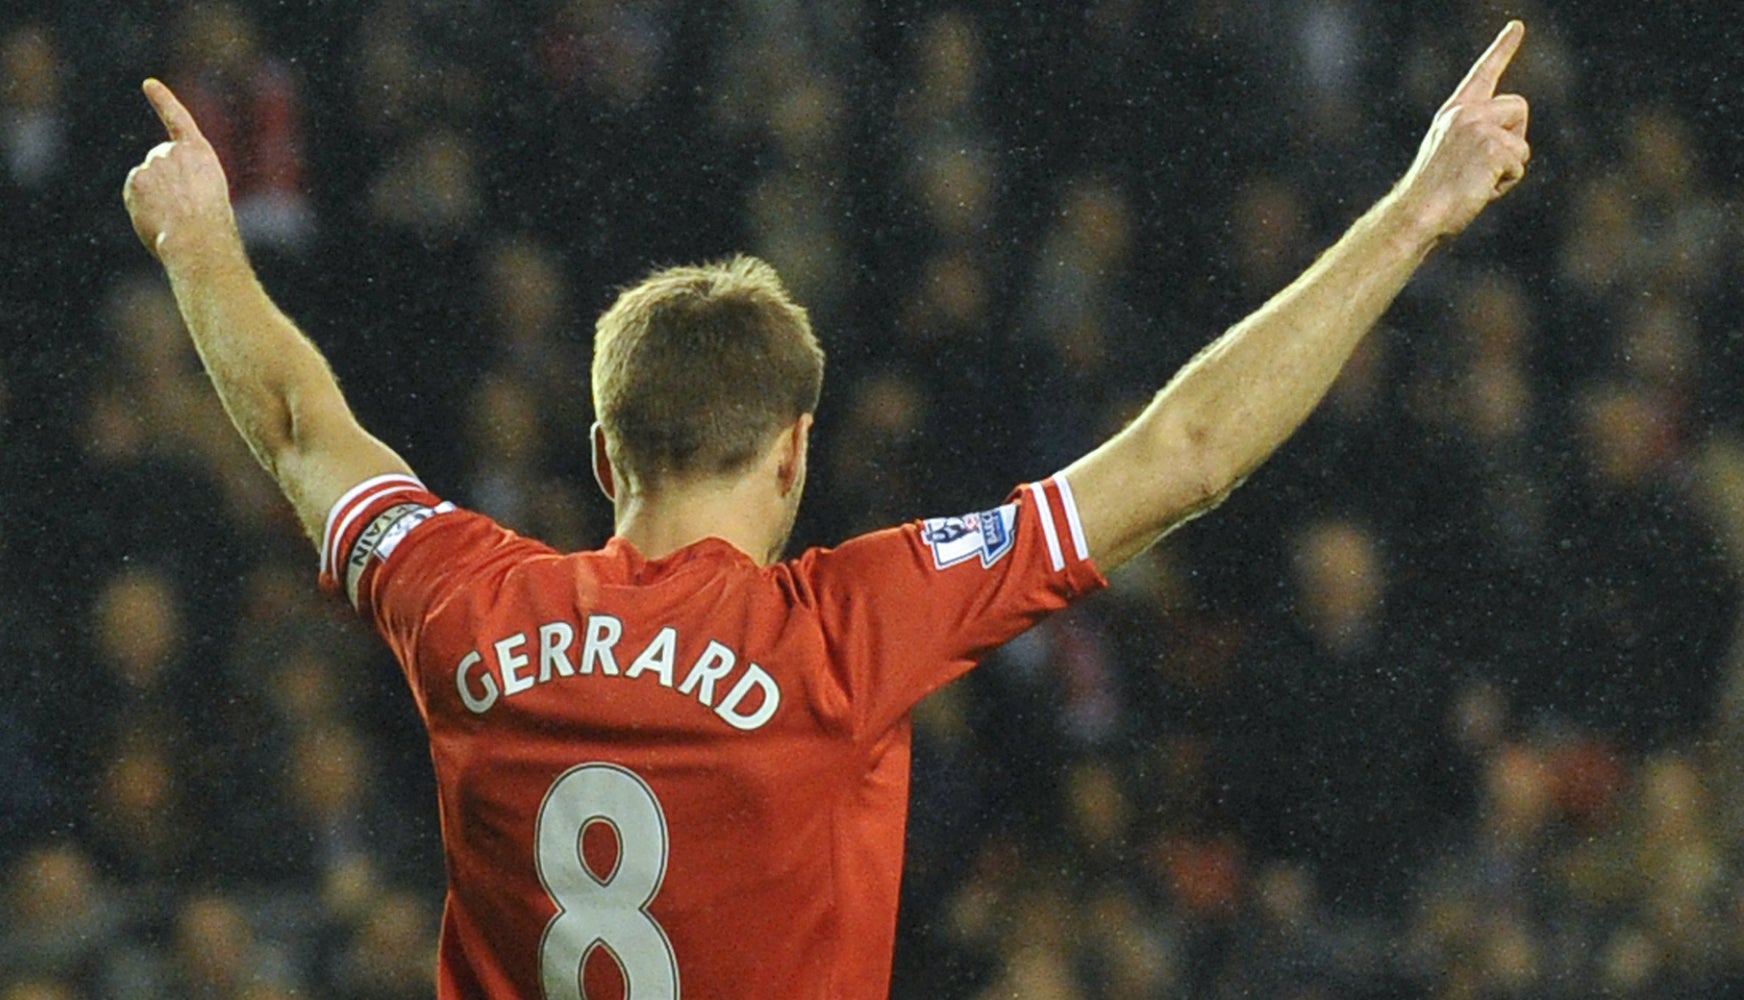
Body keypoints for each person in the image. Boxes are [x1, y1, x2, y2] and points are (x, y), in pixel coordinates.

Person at [122, 20, 1531, 1000]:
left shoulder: (470, 604)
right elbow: (1191, 451)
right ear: (796, 451)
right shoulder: (847, 629)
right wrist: (1417, 209)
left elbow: (300, 427)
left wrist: (196, 239)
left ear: (604, 456)